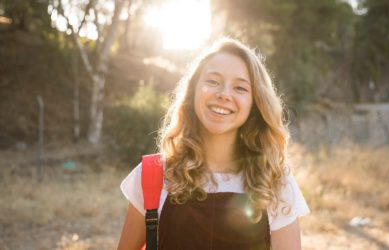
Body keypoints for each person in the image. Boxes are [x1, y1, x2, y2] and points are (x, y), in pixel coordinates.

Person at [118, 38, 310, 250]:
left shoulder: (275, 182)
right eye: (212, 81)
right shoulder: (151, 177)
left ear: (255, 104)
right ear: (192, 92)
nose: (224, 95)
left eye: (240, 88)